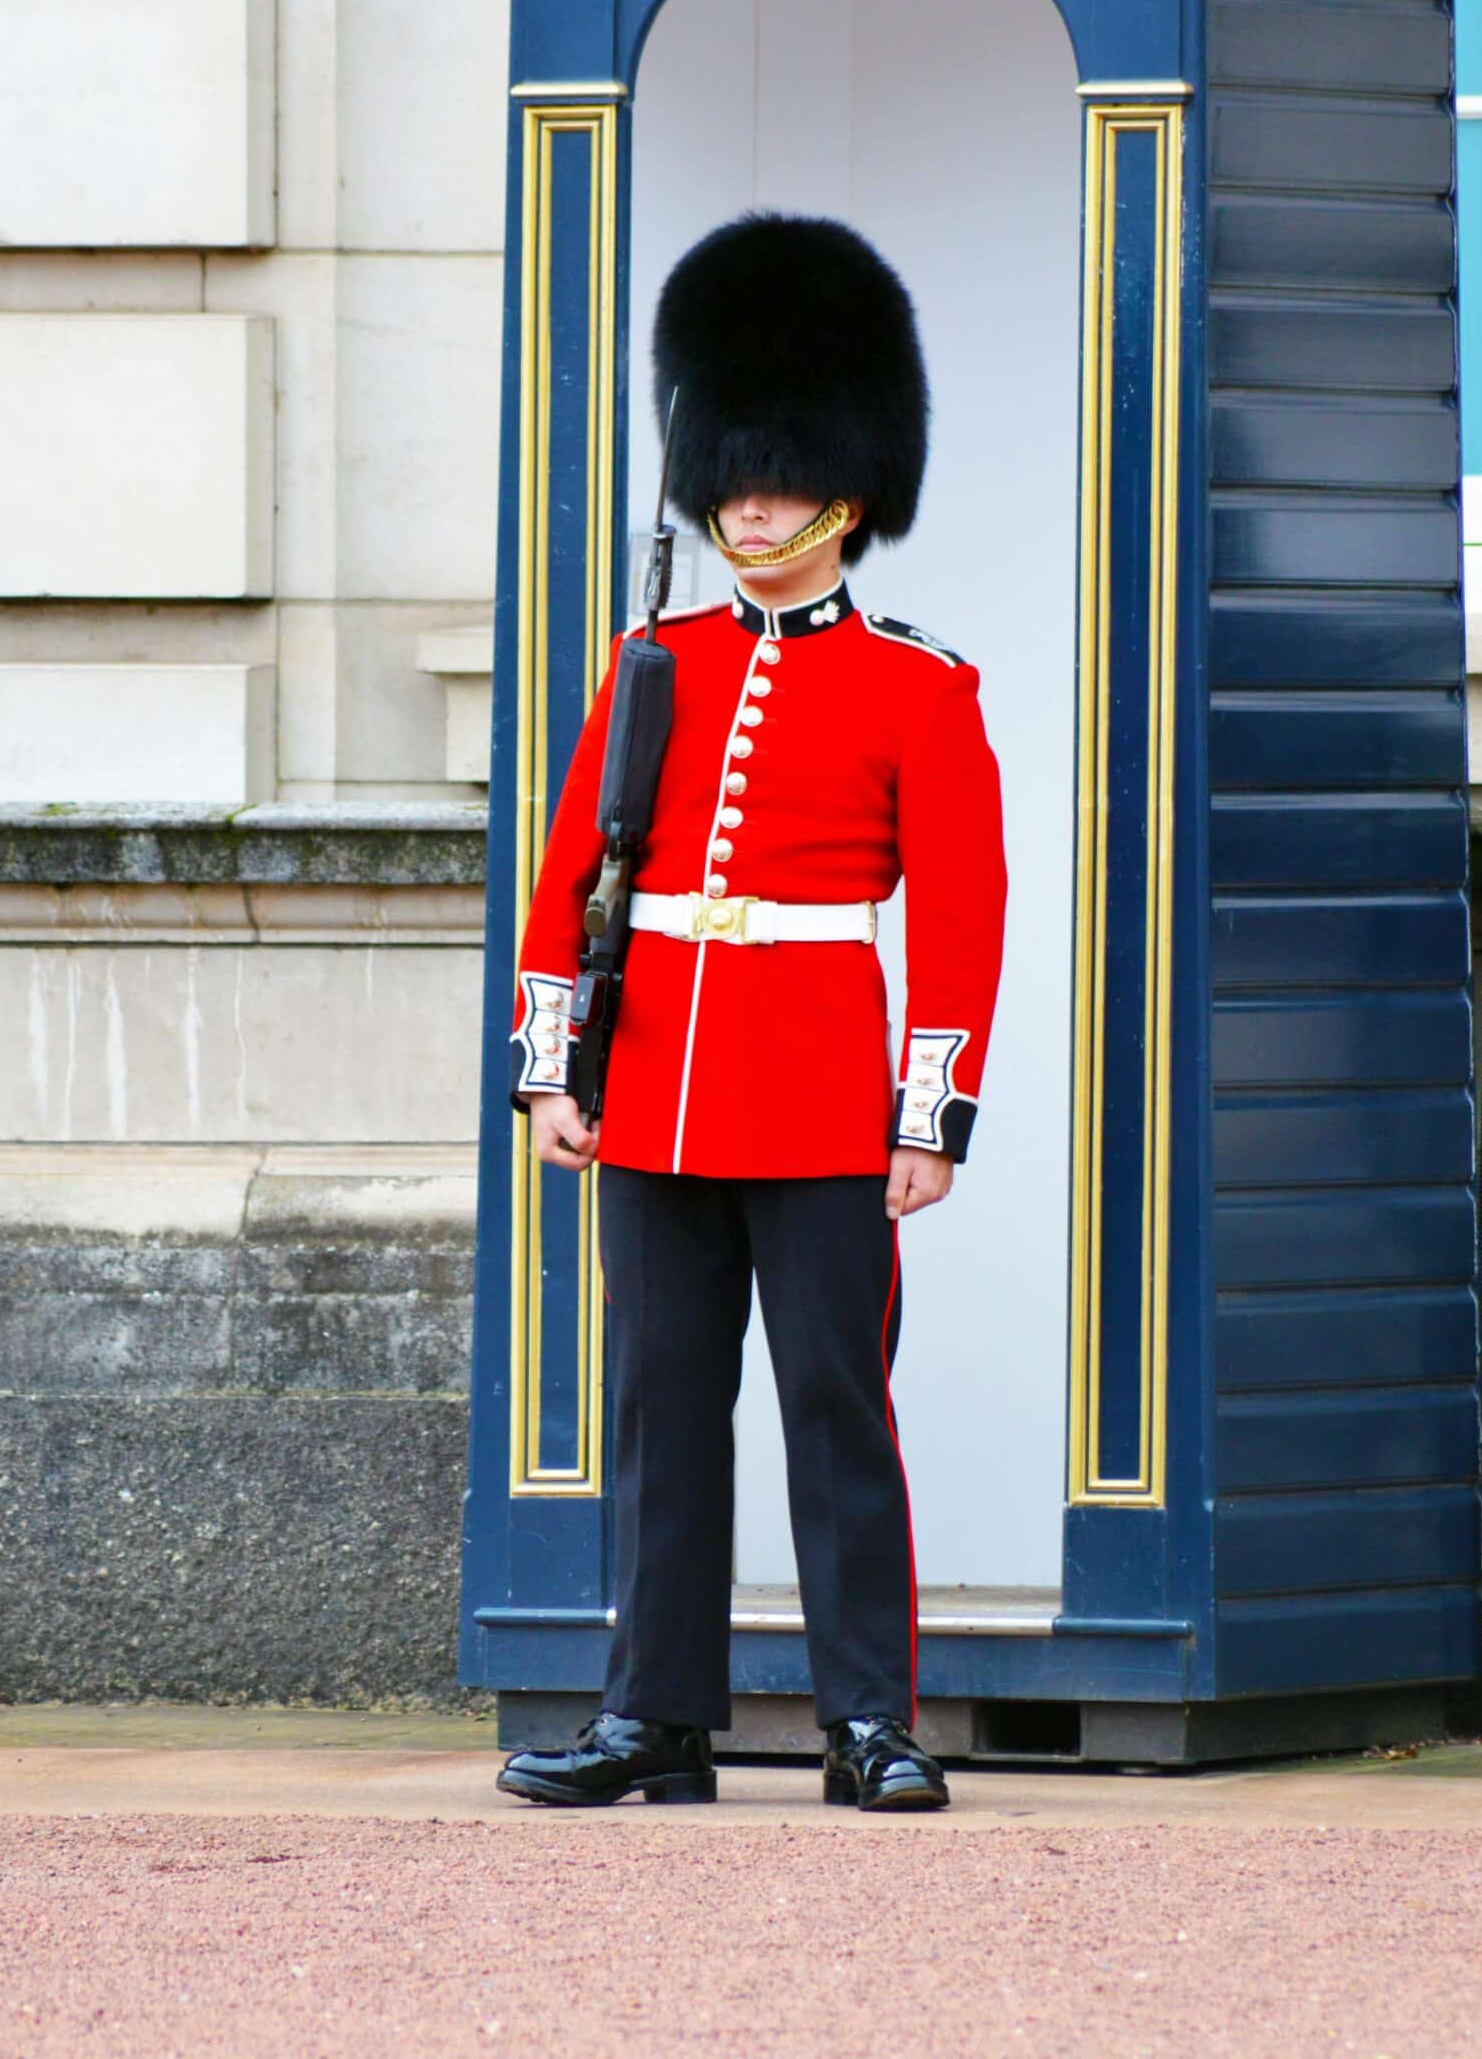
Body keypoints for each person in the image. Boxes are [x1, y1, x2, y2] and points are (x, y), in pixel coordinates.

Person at [496, 211, 1007, 1813]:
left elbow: (964, 915)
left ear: (849, 494)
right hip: (651, 1087)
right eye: (729, 475)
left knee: (833, 1409)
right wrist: (546, 1069)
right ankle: (657, 1718)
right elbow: (571, 869)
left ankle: (868, 1721)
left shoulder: (918, 686)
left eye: (774, 478)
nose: (746, 502)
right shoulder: (653, 658)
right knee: (659, 1409)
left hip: (813, 1094)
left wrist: (927, 1115)